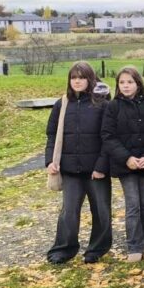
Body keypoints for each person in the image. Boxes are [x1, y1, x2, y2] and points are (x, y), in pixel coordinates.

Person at [45, 62, 112, 265]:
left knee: (101, 210)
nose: (77, 81)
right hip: (70, 169)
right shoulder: (62, 104)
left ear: (90, 79)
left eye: (81, 77)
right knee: (69, 211)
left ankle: (97, 249)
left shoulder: (102, 104)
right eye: (74, 77)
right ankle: (63, 249)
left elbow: (108, 138)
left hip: (96, 170)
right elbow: (51, 135)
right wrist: (50, 161)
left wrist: (101, 166)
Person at [101, 66, 144, 263]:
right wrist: (127, 158)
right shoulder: (113, 107)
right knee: (133, 205)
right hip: (125, 165)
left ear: (138, 83)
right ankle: (134, 245)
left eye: (130, 82)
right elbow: (108, 136)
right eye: (122, 82)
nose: (126, 86)